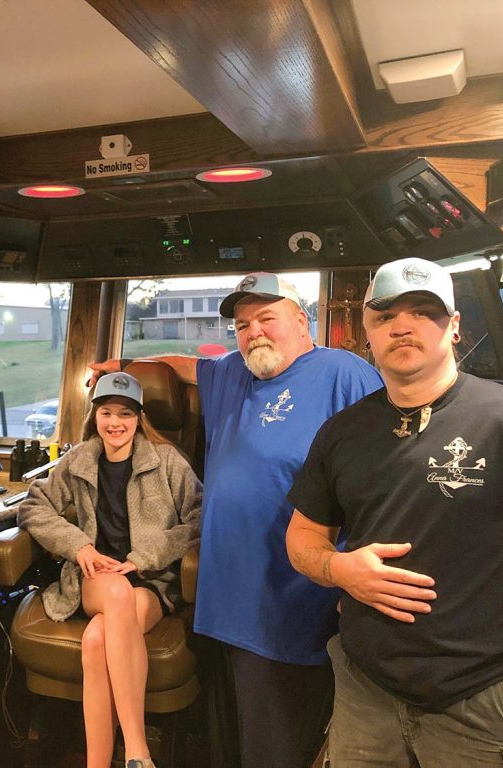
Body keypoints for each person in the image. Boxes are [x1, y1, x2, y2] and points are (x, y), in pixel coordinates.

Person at [285, 257, 503, 767]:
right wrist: (340, 569)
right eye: (384, 316)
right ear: (367, 332)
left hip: (484, 707)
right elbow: (302, 537)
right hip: (366, 699)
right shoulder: (341, 433)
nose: (401, 325)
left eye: (422, 312)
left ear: (454, 326)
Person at [90, 273, 383, 768]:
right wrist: (114, 366)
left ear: (301, 319)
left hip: (294, 602)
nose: (254, 332)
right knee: (231, 745)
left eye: (267, 318)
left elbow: (381, 479)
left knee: (281, 746)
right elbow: (184, 366)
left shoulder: (343, 373)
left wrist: (350, 581)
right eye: (243, 324)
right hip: (224, 601)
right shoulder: (232, 373)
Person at [18, 372, 202, 768]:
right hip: (97, 578)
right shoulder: (80, 458)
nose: (115, 423)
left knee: (96, 641)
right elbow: (32, 506)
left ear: (138, 418)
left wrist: (144, 557)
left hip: (152, 581)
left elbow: (199, 519)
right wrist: (78, 545)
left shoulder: (167, 459)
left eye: (125, 413)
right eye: (106, 413)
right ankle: (138, 751)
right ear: (95, 416)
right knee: (116, 591)